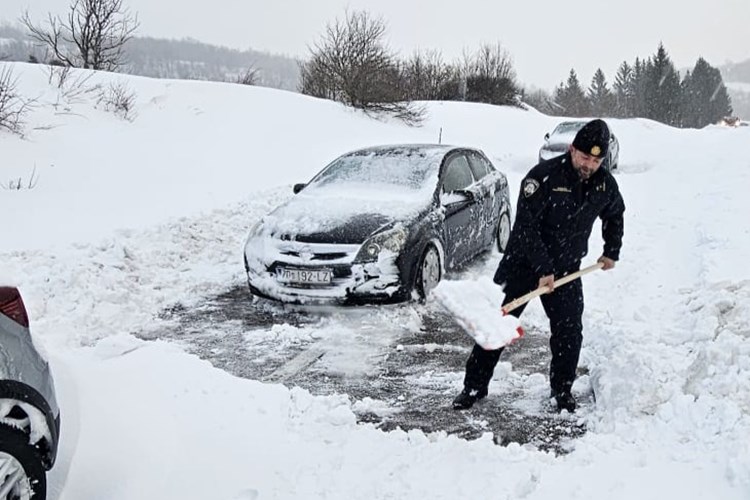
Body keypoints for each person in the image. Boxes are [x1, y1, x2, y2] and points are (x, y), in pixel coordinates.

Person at [453, 119, 625, 413]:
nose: (590, 165)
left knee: (569, 333)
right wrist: (544, 268)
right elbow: (525, 229)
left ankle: (562, 391)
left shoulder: (604, 184)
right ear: (572, 149)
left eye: (596, 160)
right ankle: (473, 387)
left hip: (568, 269)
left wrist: (611, 250)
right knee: (496, 325)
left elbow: (615, 214)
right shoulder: (542, 178)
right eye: (585, 157)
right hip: (523, 265)